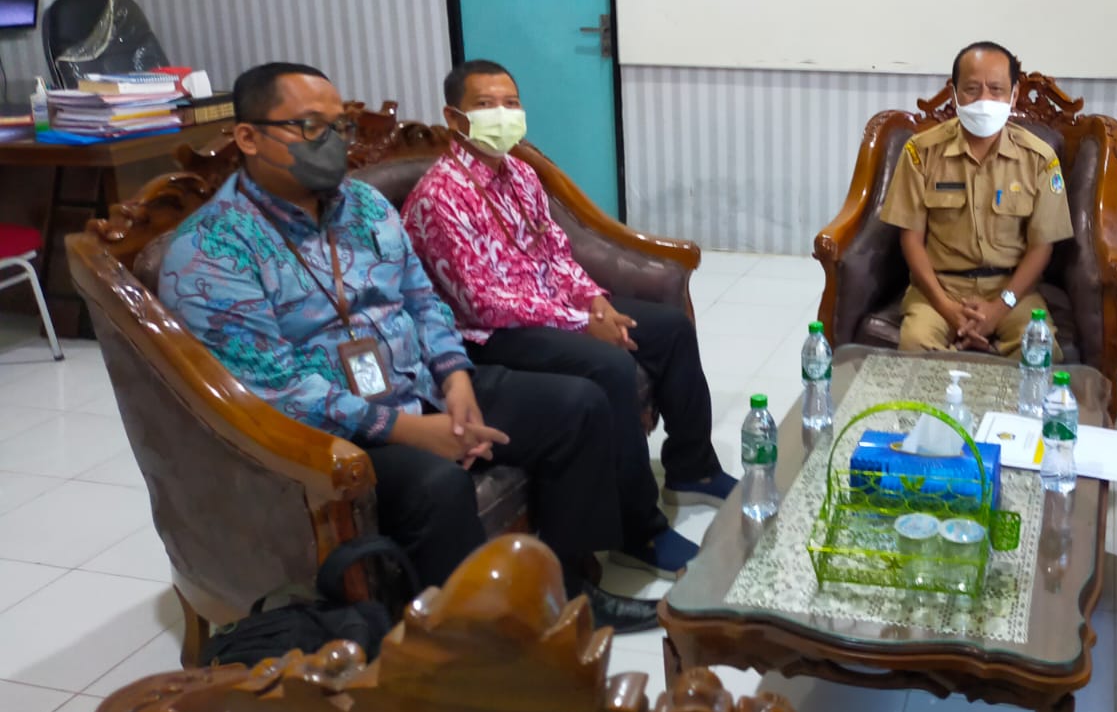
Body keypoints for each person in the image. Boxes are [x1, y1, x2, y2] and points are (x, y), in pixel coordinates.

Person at [158, 62, 659, 633]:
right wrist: (409, 430)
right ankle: (463, 644)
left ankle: (570, 590)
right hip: (334, 435)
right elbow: (274, 387)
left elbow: (424, 301)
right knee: (435, 484)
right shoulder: (213, 248)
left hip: (420, 383)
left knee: (577, 407)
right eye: (310, 126)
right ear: (249, 137)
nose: (332, 142)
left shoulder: (365, 206)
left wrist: (456, 380)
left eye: (340, 127)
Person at [401, 60, 732, 578]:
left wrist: (594, 301)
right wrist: (578, 324)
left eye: (511, 103)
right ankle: (639, 530)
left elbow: (556, 253)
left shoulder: (520, 174)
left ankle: (693, 468)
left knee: (668, 328)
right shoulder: (440, 197)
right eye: (485, 105)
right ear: (454, 117)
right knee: (609, 364)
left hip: (551, 311)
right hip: (490, 335)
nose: (502, 115)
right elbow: (482, 302)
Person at [879, 41, 1074, 357]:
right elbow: (911, 240)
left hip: (1012, 292)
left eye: (996, 89)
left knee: (1040, 352)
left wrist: (999, 308)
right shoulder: (921, 152)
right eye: (972, 89)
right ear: (954, 94)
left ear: (1014, 95)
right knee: (915, 346)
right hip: (938, 290)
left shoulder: (1040, 159)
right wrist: (947, 308)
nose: (984, 100)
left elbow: (1042, 247)